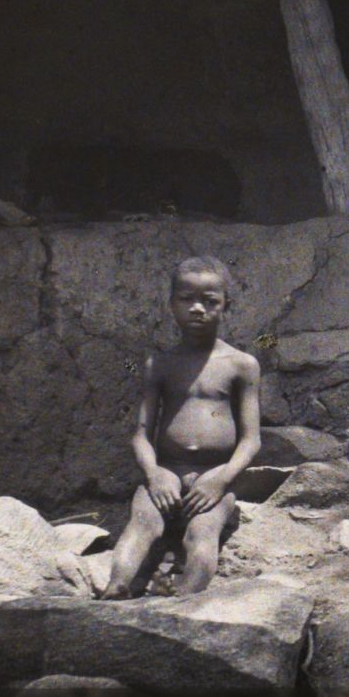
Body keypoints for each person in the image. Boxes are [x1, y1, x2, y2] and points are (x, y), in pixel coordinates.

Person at [98, 256, 261, 598]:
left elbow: (251, 440)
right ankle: (116, 587)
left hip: (214, 474)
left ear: (225, 305)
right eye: (187, 299)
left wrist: (222, 478)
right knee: (143, 523)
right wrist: (153, 473)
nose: (198, 308)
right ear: (172, 304)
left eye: (210, 301)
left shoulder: (242, 365)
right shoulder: (159, 364)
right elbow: (141, 434)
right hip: (168, 470)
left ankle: (184, 598)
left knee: (202, 532)